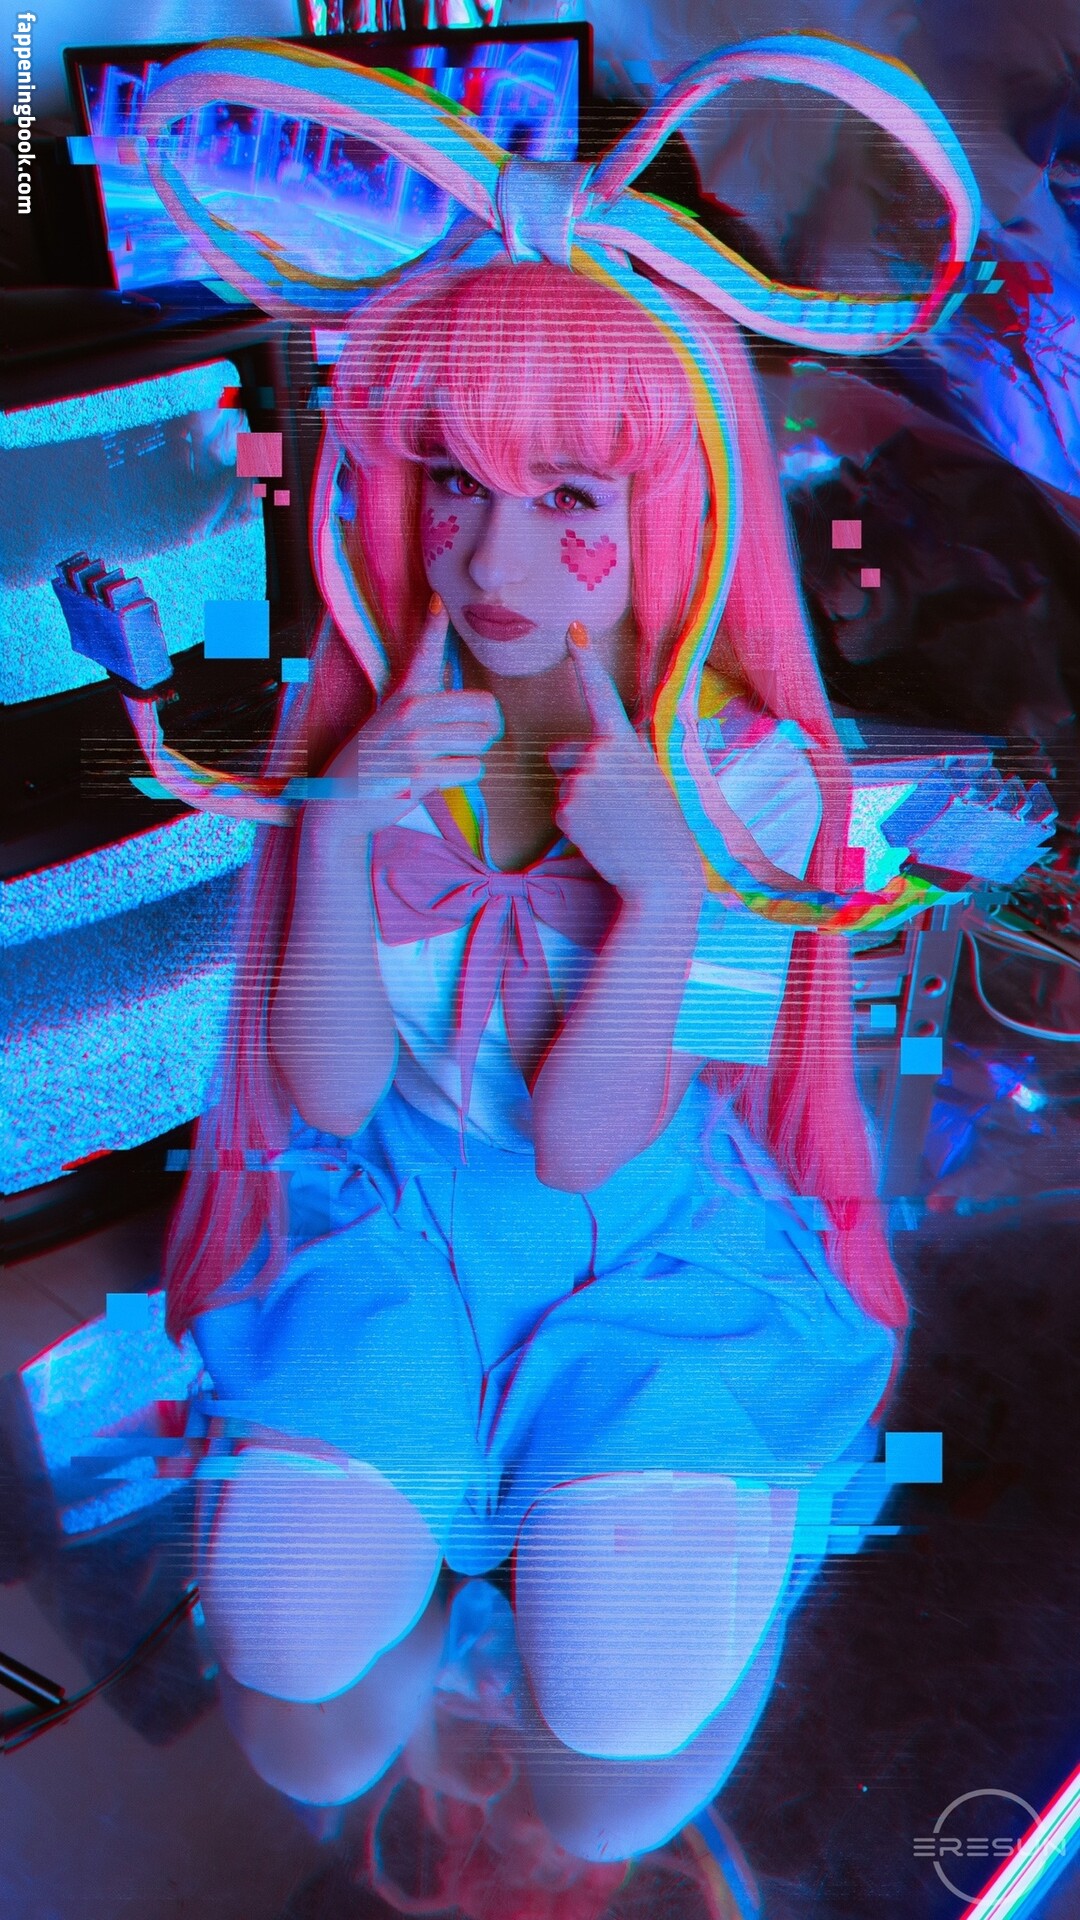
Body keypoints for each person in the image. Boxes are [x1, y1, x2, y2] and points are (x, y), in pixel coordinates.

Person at [132, 31, 979, 1873]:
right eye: (453, 482)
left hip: (653, 1246)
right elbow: (328, 1089)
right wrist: (342, 827)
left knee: (610, 1752)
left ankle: (660, 1538)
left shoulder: (762, 785)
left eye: (566, 500)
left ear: (664, 508)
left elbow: (596, 1145)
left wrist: (660, 895)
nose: (488, 558)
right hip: (398, 1226)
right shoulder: (369, 732)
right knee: (292, 1690)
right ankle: (465, 1543)